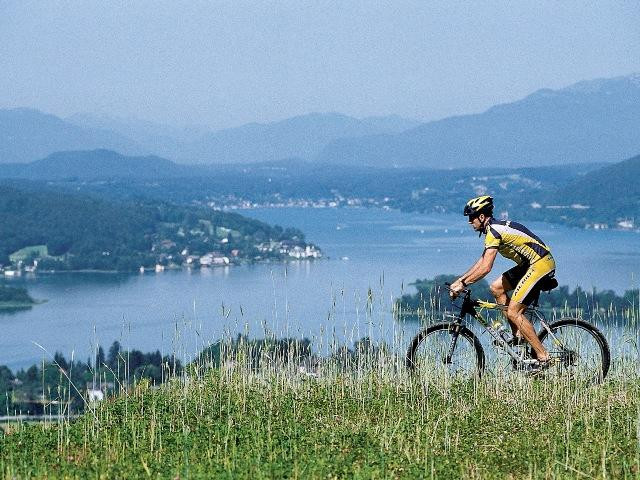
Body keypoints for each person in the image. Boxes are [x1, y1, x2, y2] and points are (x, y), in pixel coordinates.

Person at [449, 195, 556, 365]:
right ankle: (518, 336)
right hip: (530, 264)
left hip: (539, 264)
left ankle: (543, 357)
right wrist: (460, 280)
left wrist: (462, 285)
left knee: (514, 312)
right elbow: (482, 261)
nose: (470, 222)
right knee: (496, 288)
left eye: (471, 217)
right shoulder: (492, 229)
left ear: (482, 217)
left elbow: (486, 268)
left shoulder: (494, 231)